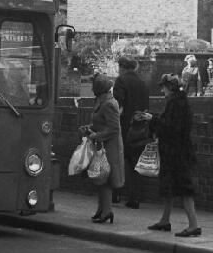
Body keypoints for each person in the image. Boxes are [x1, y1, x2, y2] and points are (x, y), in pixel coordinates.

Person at [137, 74, 201, 237]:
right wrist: (154, 118)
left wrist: (153, 120)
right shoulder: (180, 102)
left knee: (184, 188)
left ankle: (193, 225)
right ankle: (165, 221)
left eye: (163, 86)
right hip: (177, 151)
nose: (161, 89)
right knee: (169, 187)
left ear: (170, 87)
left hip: (177, 153)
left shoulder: (175, 103)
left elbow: (171, 128)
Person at [79, 73, 125, 224]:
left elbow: (114, 129)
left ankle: (107, 211)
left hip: (109, 147)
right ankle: (101, 209)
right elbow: (101, 122)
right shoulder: (102, 102)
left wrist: (95, 135)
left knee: (104, 179)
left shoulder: (110, 104)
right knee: (99, 177)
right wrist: (90, 128)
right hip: (101, 144)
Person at [112, 55, 149, 208]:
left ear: (122, 67)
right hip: (140, 128)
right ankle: (135, 198)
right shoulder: (142, 83)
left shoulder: (121, 81)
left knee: (118, 160)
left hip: (124, 127)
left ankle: (116, 193)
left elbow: (117, 105)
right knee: (135, 163)